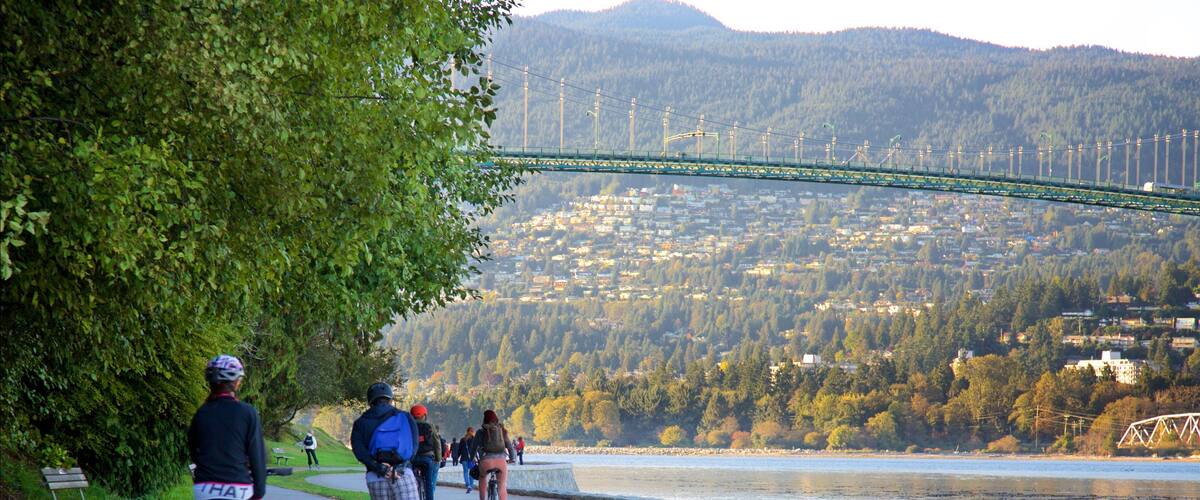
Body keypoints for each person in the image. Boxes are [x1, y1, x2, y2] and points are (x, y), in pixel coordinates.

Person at [187, 354, 266, 500]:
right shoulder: (247, 412)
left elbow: (193, 449)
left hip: (205, 487)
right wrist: (259, 492)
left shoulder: (202, 412)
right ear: (236, 383)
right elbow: (257, 456)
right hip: (238, 488)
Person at [351, 382, 420, 500]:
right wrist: (400, 467)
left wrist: (378, 467)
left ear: (370, 401)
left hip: (375, 477)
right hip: (402, 475)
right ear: (390, 398)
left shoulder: (360, 423)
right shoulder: (406, 417)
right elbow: (414, 446)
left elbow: (359, 452)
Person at [471, 410, 515, 500]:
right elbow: (510, 447)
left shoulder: (480, 432)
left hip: (486, 461)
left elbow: (473, 448)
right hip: (501, 461)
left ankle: (482, 498)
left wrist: (472, 458)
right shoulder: (502, 431)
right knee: (502, 485)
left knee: (482, 478)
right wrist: (512, 458)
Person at [410, 404, 441, 499]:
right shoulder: (430, 426)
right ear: (424, 415)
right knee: (429, 483)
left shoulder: (409, 426)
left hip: (412, 458)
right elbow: (437, 444)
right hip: (427, 459)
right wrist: (438, 459)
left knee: (410, 481)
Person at [456, 428, 477, 493]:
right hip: (471, 458)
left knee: (465, 472)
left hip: (464, 458)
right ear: (472, 432)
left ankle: (468, 485)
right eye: (472, 431)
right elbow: (476, 449)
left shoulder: (463, 440)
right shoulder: (474, 439)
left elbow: (459, 449)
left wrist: (457, 457)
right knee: (471, 472)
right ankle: (471, 485)